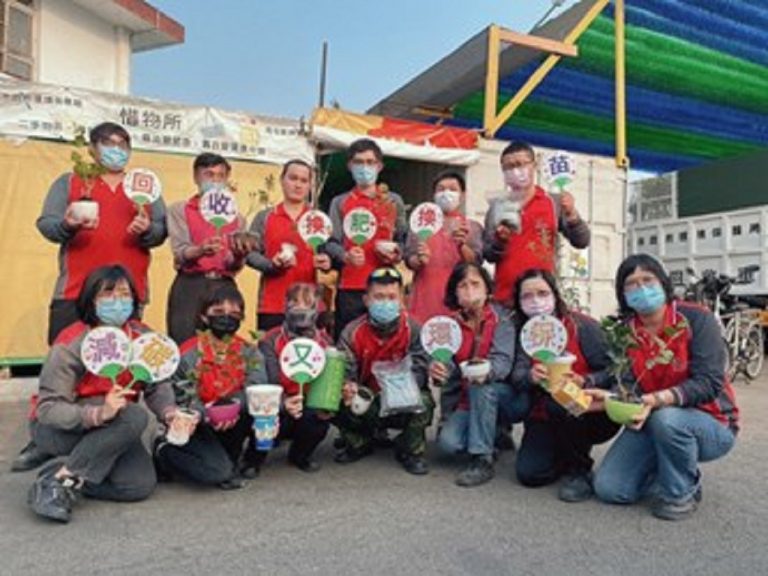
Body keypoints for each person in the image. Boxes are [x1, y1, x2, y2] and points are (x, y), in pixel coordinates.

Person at [588, 254, 738, 521]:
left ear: (663, 283)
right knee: (610, 489)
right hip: (652, 419)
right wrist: (608, 397)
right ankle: (668, 469)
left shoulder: (696, 319)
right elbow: (628, 386)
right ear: (623, 293)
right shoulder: (625, 332)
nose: (641, 288)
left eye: (648, 280)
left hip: (710, 422)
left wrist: (659, 399)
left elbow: (709, 382)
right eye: (631, 284)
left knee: (667, 419)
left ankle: (682, 492)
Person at [26, 266, 178, 523]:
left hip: (114, 427)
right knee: (134, 416)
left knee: (137, 485)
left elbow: (157, 385)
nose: (117, 302)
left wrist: (169, 412)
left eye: (124, 294)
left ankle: (61, 471)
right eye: (107, 294)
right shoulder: (72, 342)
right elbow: (48, 408)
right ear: (91, 299)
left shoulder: (143, 338)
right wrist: (99, 413)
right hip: (60, 429)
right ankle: (59, 482)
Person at [36, 121, 167, 345]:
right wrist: (68, 225)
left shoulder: (144, 187)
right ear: (92, 148)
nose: (116, 150)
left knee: (121, 355)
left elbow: (162, 230)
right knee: (67, 355)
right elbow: (47, 223)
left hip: (126, 294)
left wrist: (148, 230)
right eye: (108, 143)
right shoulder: (70, 181)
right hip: (75, 290)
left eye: (123, 145)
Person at [510, 268, 619, 501]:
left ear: (555, 294)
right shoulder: (524, 334)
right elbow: (517, 376)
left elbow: (612, 370)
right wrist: (530, 376)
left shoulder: (583, 326)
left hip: (588, 409)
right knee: (530, 475)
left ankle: (580, 470)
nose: (536, 301)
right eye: (527, 296)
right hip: (544, 416)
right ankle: (563, 454)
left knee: (561, 402)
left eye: (542, 293)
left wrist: (585, 380)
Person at [155, 285, 267, 489]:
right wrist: (211, 414)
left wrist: (230, 406)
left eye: (234, 314)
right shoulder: (187, 354)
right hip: (198, 423)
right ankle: (164, 452)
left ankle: (244, 460)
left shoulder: (250, 352)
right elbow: (183, 399)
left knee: (264, 410)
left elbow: (257, 388)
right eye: (218, 312)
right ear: (204, 317)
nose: (227, 318)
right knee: (218, 472)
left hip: (234, 418)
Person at [335, 267, 434, 475]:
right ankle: (359, 442)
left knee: (425, 401)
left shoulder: (415, 329)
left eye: (391, 297)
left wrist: (397, 389)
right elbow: (345, 371)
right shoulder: (352, 332)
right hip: (366, 400)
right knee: (334, 397)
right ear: (366, 300)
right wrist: (347, 386)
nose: (386, 303)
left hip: (402, 397)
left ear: (402, 300)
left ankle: (410, 450)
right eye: (379, 297)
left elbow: (421, 369)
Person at [432, 263, 520, 487]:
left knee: (481, 386)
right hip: (466, 400)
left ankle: (482, 459)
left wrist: (484, 370)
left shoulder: (503, 319)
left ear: (487, 288)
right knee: (448, 445)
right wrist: (439, 370)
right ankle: (492, 434)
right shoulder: (449, 325)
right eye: (463, 285)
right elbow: (448, 364)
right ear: (455, 292)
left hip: (503, 394)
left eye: (475, 284)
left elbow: (503, 363)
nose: (469, 290)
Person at [483, 141, 589, 304]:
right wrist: (500, 242)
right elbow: (488, 255)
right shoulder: (496, 208)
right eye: (508, 167)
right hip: (505, 298)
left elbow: (581, 241)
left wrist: (572, 214)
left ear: (534, 165)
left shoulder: (554, 202)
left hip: (542, 297)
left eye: (520, 164)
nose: (515, 171)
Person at [166, 153, 256, 344]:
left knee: (222, 343)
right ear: (196, 177)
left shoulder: (237, 218)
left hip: (224, 284)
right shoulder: (180, 210)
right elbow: (180, 252)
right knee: (184, 341)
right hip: (190, 283)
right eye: (209, 175)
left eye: (220, 176)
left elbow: (234, 266)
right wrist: (200, 250)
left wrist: (239, 256)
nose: (215, 181)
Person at [325, 139, 408, 337]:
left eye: (370, 162)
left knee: (387, 340)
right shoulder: (340, 202)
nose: (364, 167)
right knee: (349, 339)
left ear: (379, 166)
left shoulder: (393, 201)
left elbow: (404, 239)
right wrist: (345, 256)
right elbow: (330, 242)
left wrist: (397, 253)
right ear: (350, 166)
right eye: (359, 162)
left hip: (386, 286)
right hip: (351, 287)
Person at [246, 159, 332, 333]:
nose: (298, 185)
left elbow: (331, 252)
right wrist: (271, 265)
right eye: (293, 178)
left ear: (310, 186)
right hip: (272, 305)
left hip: (310, 305)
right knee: (271, 348)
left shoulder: (319, 219)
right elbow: (249, 254)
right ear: (282, 180)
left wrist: (327, 263)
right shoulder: (265, 217)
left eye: (304, 180)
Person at [257, 283, 334, 473]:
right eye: (294, 302)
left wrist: (325, 404)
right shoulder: (270, 340)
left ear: (316, 308)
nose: (300, 309)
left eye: (307, 304)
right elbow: (270, 380)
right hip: (278, 401)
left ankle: (300, 455)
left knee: (318, 418)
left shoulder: (325, 343)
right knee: (262, 412)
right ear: (285, 306)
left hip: (307, 402)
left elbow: (325, 382)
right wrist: (284, 403)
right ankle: (253, 460)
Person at [405, 172, 484, 324]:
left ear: (463, 195)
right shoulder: (419, 226)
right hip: (425, 299)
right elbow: (409, 259)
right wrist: (419, 259)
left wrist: (462, 246)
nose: (446, 193)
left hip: (460, 299)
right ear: (434, 195)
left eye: (452, 189)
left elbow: (476, 262)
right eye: (441, 189)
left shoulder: (473, 227)